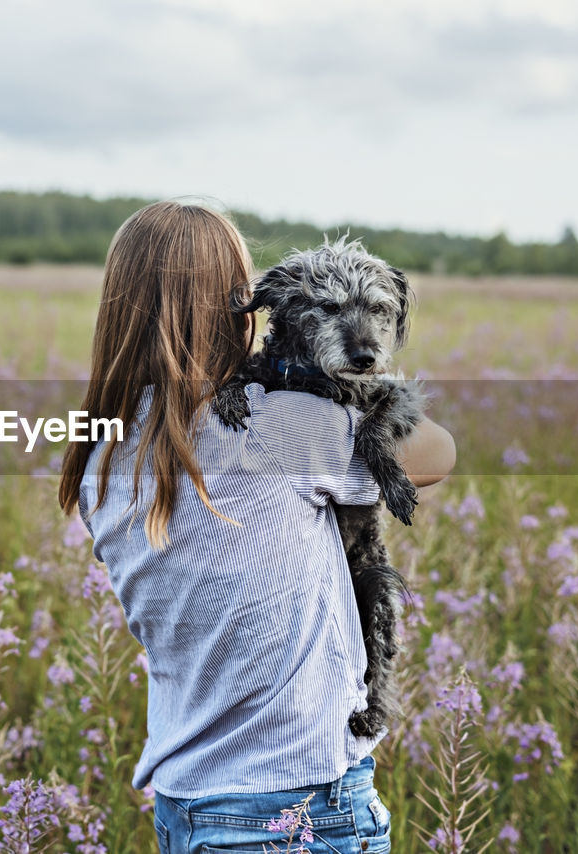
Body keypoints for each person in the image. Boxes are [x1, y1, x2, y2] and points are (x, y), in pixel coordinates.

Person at [58, 200, 455, 854]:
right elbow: (438, 453)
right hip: (297, 810)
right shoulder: (278, 428)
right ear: (239, 306)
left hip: (187, 804)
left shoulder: (100, 446)